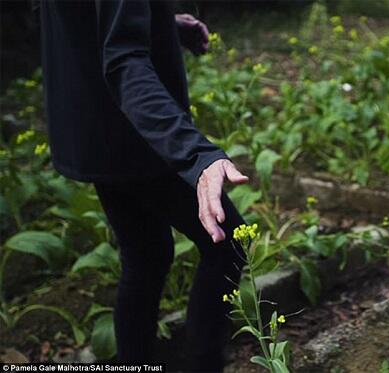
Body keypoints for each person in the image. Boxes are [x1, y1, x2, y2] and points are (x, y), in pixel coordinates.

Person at [38, 1, 249, 371]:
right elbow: (124, 62)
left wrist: (157, 22)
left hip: (94, 127)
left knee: (146, 255)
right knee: (227, 242)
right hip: (136, 135)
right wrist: (195, 154)